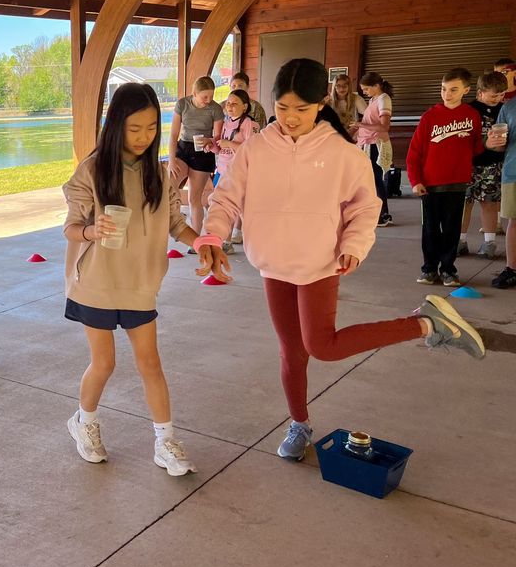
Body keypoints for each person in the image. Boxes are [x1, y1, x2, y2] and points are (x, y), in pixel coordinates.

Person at [194, 58, 485, 462]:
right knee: (290, 352)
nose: (290, 117)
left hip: (319, 263)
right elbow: (226, 198)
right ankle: (299, 423)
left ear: (321, 102)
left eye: (301, 108)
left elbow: (366, 205)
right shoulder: (256, 149)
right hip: (272, 264)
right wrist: (213, 233)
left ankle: (425, 323)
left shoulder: (339, 152)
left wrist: (355, 243)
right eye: (282, 108)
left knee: (323, 346)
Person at [63, 83, 201, 477]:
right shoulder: (91, 171)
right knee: (103, 363)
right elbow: (71, 227)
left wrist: (202, 241)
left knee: (150, 363)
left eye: (152, 127)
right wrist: (91, 230)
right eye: (134, 128)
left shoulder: (159, 174)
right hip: (96, 282)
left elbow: (176, 223)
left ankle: (165, 440)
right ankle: (84, 423)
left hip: (140, 284)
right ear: (115, 125)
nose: (144, 137)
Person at [407, 68, 485, 287]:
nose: (447, 94)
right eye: (443, 89)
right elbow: (414, 153)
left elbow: (476, 148)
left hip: (457, 184)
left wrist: (492, 145)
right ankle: (429, 269)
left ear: (466, 90)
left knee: (452, 229)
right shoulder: (430, 117)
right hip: (430, 185)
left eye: (453, 90)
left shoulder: (472, 116)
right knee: (430, 229)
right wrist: (415, 180)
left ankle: (449, 270)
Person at [458, 72, 508, 258]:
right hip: (468, 164)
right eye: (493, 95)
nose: (498, 99)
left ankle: (489, 243)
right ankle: (460, 240)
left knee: (489, 203)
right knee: (465, 202)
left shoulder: (505, 109)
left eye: (502, 95)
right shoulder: (468, 110)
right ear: (480, 93)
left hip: (493, 164)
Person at [169, 76, 224, 241]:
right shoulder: (182, 104)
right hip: (184, 147)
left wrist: (210, 140)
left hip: (203, 151)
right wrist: (171, 160)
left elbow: (218, 136)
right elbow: (173, 135)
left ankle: (194, 238)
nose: (208, 100)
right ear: (194, 93)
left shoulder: (215, 109)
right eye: (204, 97)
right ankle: (173, 220)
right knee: (169, 184)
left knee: (194, 197)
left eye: (211, 96)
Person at [212, 88, 257, 251]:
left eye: (234, 104)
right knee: (219, 204)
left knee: (231, 206)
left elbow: (250, 150)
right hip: (221, 168)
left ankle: (228, 242)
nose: (230, 107)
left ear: (245, 106)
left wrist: (229, 144)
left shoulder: (249, 124)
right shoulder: (225, 122)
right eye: (228, 103)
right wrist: (211, 146)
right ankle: (223, 238)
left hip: (236, 171)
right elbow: (221, 147)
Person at [351, 72, 394, 226]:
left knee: (376, 179)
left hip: (375, 143)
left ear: (376, 86)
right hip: (367, 142)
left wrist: (360, 124)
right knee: (370, 180)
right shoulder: (374, 99)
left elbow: (384, 126)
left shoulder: (384, 99)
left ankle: (383, 214)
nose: (365, 92)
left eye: (367, 89)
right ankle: (376, 212)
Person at [491, 95, 516, 288]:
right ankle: (512, 269)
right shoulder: (508, 107)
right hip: (513, 170)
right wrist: (495, 141)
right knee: (514, 221)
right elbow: (499, 145)